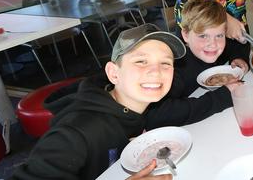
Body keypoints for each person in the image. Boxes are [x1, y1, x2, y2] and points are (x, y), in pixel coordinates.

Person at [11, 24, 188, 180]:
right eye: (141, 61)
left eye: (165, 63)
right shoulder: (77, 132)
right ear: (113, 73)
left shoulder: (137, 106)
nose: (156, 72)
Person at [144, 0, 246, 128]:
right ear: (185, 35)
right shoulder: (174, 67)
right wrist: (224, 96)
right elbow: (156, 115)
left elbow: (239, 45)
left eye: (219, 36)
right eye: (203, 36)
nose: (213, 44)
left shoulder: (212, 49)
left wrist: (239, 58)